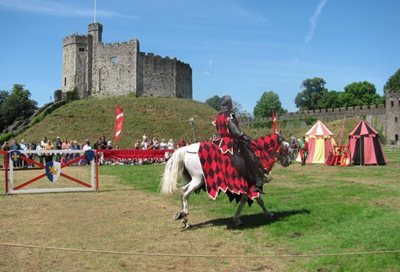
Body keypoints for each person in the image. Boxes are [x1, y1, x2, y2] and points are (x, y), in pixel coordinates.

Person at [213, 95, 271, 193]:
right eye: (231, 102)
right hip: (230, 141)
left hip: (220, 141)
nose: (232, 104)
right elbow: (234, 129)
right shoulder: (229, 114)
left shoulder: (218, 116)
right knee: (250, 155)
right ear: (229, 103)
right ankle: (258, 179)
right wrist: (243, 136)